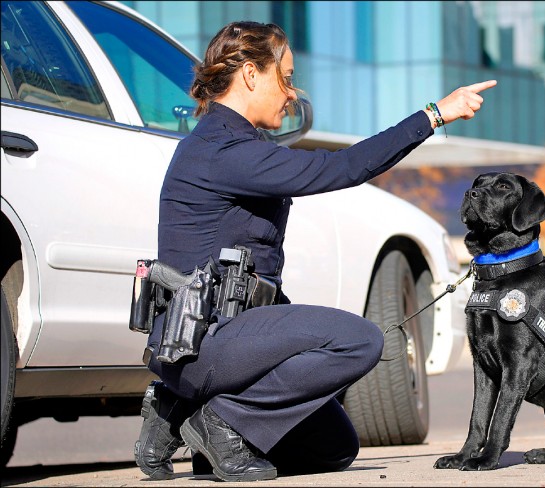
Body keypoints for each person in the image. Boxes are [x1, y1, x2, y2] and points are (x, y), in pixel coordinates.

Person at [134, 20, 496, 482]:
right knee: (361, 340)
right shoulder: (222, 149)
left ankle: (181, 409)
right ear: (250, 74)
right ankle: (222, 420)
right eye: (284, 77)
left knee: (333, 449)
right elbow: (342, 166)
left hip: (219, 342)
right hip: (203, 342)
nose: (292, 92)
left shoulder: (237, 145)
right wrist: (433, 115)